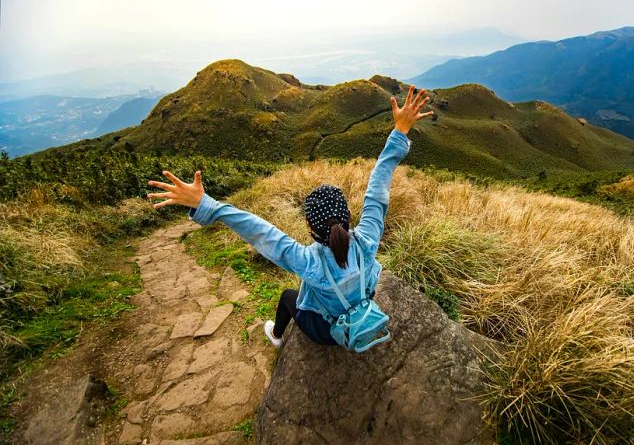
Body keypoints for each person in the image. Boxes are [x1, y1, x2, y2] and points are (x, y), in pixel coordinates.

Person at [147, 85, 433, 348]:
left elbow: (260, 231)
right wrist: (400, 130)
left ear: (309, 224)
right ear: (348, 215)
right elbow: (377, 192)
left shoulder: (308, 262)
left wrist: (207, 204)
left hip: (326, 333)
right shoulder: (367, 242)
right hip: (362, 314)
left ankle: (276, 336)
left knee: (287, 297)